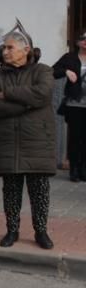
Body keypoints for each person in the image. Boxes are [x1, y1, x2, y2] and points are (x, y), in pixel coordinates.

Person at [0, 28, 56, 249]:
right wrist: (27, 103)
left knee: (39, 190)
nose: (5, 51)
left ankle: (41, 231)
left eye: (10, 47)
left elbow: (43, 95)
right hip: (8, 141)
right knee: (11, 190)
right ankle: (12, 230)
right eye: (4, 47)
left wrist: (9, 95)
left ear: (26, 50)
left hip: (37, 141)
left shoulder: (42, 71)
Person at [53, 30, 86, 182]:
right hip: (75, 104)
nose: (85, 41)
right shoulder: (70, 57)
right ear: (78, 42)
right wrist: (66, 71)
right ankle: (74, 169)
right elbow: (53, 71)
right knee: (75, 138)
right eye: (83, 38)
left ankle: (83, 170)